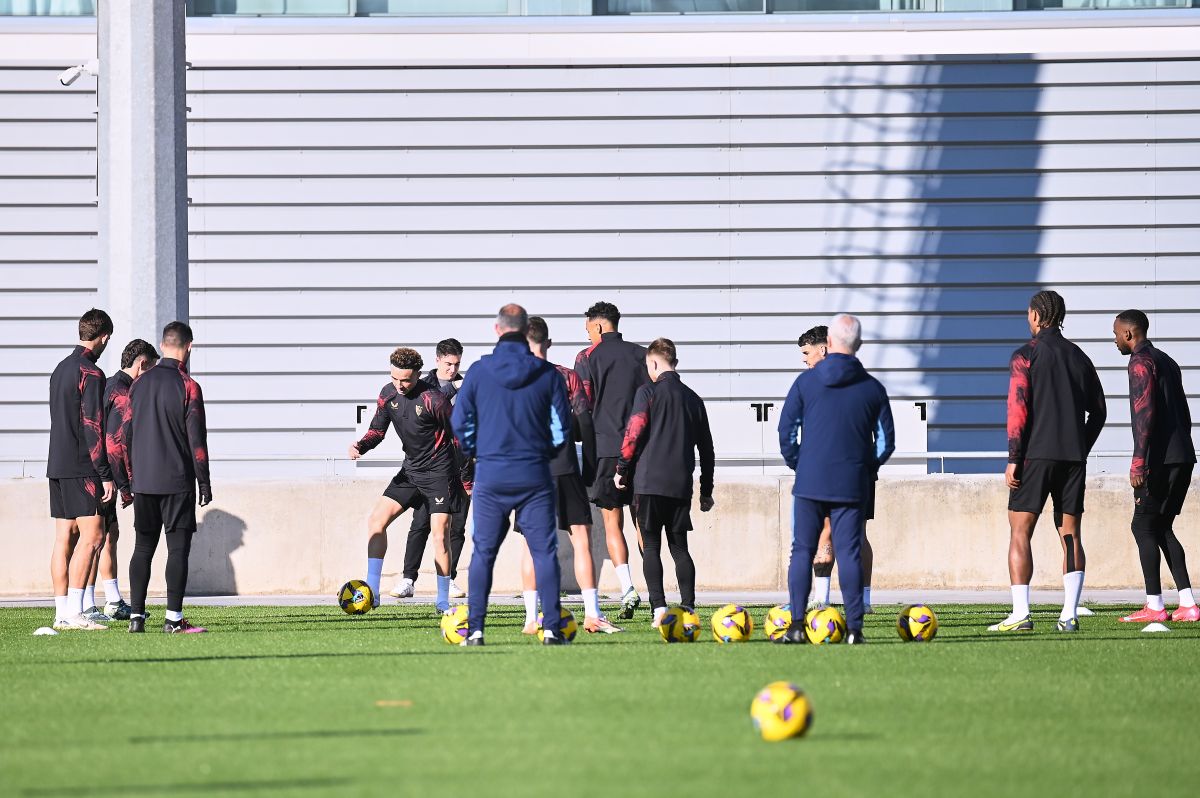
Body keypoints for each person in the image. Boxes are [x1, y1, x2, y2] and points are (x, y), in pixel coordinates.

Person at [452, 304, 572, 646]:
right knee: (544, 552)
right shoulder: (547, 374)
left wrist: (479, 450)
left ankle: (475, 630)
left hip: (492, 473)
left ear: (497, 330)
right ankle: (551, 629)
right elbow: (562, 428)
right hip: (534, 472)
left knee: (483, 553)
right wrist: (542, 453)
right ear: (526, 331)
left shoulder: (478, 372)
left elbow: (460, 423)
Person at [991, 290, 1106, 634]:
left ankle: (1021, 614)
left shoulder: (1025, 355)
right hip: (1073, 458)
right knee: (1070, 535)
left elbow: (1018, 412)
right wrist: (1079, 447)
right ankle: (1068, 615)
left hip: (1034, 457)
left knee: (1020, 531)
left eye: (1029, 314)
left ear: (1038, 317)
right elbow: (1099, 411)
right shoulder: (1078, 356)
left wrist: (1014, 459)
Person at [775, 314, 894, 645]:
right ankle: (855, 629)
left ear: (829, 341)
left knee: (802, 551)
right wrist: (865, 468)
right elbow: (886, 442)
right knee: (850, 552)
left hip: (810, 480)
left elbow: (786, 431)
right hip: (851, 482)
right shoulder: (873, 388)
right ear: (858, 343)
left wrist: (800, 463)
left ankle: (797, 626)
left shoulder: (805, 383)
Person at [514, 317, 622, 635]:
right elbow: (585, 422)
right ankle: (592, 614)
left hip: (528, 471)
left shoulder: (513, 380)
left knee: (530, 547)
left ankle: (531, 619)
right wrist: (590, 467)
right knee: (581, 541)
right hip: (563, 467)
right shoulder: (566, 376)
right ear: (548, 343)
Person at [350, 346, 466, 614]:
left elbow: (459, 435)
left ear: (417, 375)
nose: (400, 385)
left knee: (439, 536)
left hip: (439, 474)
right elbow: (377, 432)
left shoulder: (433, 399)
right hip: (410, 472)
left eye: (406, 380)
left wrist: (464, 470)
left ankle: (442, 601)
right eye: (395, 378)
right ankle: (372, 591)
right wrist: (360, 446)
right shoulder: (387, 394)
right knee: (376, 521)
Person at [614, 338, 715, 627]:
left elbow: (634, 432)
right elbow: (706, 449)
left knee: (652, 546)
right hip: (680, 484)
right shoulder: (693, 399)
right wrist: (705, 490)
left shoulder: (647, 392)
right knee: (680, 548)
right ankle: (689, 607)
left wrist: (622, 468)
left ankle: (659, 608)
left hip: (647, 483)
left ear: (654, 363)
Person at [1112, 310, 1198, 623]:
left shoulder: (1139, 362)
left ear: (1129, 334)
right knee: (1161, 527)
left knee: (1142, 526)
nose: (1115, 341)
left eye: (1116, 334)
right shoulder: (1167, 361)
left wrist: (1138, 462)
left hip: (1159, 460)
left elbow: (1143, 414)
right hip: (1183, 456)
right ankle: (1188, 604)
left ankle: (1155, 605)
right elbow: (1184, 415)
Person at [125, 322, 211, 634]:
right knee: (177, 550)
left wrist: (127, 480)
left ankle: (136, 617)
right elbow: (196, 441)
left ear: (162, 346)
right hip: (177, 481)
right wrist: (205, 482)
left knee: (142, 547)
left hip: (144, 482)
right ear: (189, 347)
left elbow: (125, 435)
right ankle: (173, 618)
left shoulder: (138, 385)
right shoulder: (188, 386)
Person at [574, 301, 649, 619]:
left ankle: (628, 588)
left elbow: (583, 404)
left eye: (589, 328)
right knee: (644, 522)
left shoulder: (586, 357)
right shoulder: (642, 355)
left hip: (605, 450)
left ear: (599, 326)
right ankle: (656, 593)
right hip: (643, 449)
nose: (588, 334)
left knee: (611, 520)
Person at [797, 325, 878, 613]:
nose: (804, 360)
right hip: (859, 468)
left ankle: (823, 597)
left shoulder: (819, 383)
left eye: (807, 353)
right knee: (856, 533)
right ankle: (862, 601)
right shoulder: (858, 379)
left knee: (827, 530)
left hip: (834, 469)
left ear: (823, 349)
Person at [46, 308, 116, 631]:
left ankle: (62, 612)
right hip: (82, 467)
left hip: (56, 465)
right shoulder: (92, 373)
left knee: (65, 538)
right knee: (94, 536)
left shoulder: (59, 370)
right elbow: (93, 427)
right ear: (103, 337)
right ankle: (75, 613)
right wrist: (104, 473)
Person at [83, 338, 159, 622]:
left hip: (98, 471)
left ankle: (112, 599)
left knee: (107, 536)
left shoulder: (111, 383)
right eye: (151, 369)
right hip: (106, 476)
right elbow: (115, 443)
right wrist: (122, 485)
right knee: (96, 538)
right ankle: (89, 603)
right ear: (142, 364)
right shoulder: (125, 393)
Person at [392, 338, 470, 601]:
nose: (452, 368)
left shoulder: (467, 386)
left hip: (462, 468)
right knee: (420, 524)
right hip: (431, 468)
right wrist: (451, 389)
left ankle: (450, 579)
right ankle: (408, 578)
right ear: (437, 360)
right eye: (448, 363)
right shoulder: (421, 385)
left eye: (457, 364)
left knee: (455, 528)